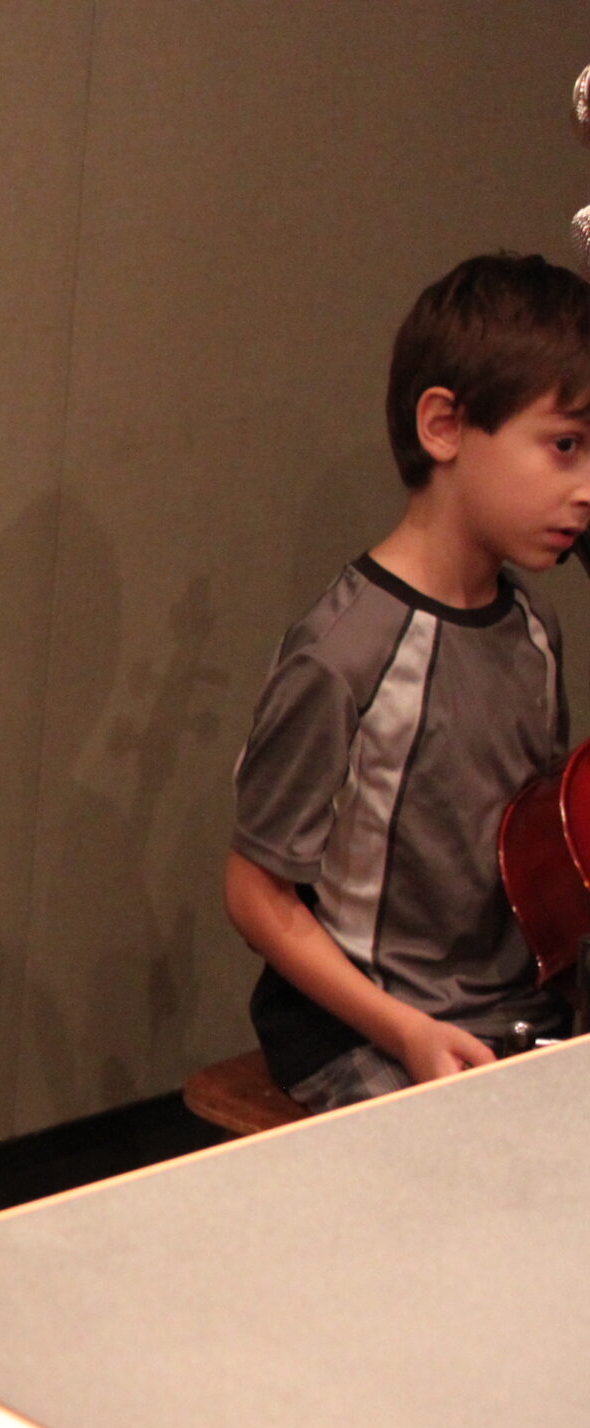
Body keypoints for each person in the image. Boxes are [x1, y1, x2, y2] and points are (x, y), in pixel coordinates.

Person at [227, 252, 590, 1112]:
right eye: (566, 445)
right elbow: (255, 890)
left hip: (505, 1012)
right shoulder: (343, 652)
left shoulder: (534, 630)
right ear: (445, 427)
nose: (587, 489)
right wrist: (405, 1029)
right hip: (365, 1027)